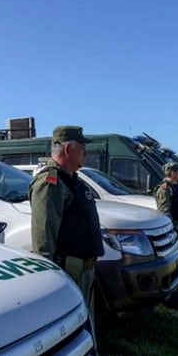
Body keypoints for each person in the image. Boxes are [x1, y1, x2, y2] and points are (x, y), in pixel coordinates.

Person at [28, 125, 104, 311]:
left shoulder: (72, 180)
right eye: (82, 147)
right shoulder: (50, 182)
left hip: (84, 270)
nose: (86, 152)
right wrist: (50, 279)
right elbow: (44, 238)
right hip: (70, 271)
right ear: (69, 149)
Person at [155, 162, 178, 245]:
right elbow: (164, 211)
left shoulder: (177, 186)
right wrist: (171, 229)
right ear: (172, 173)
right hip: (173, 227)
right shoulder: (165, 189)